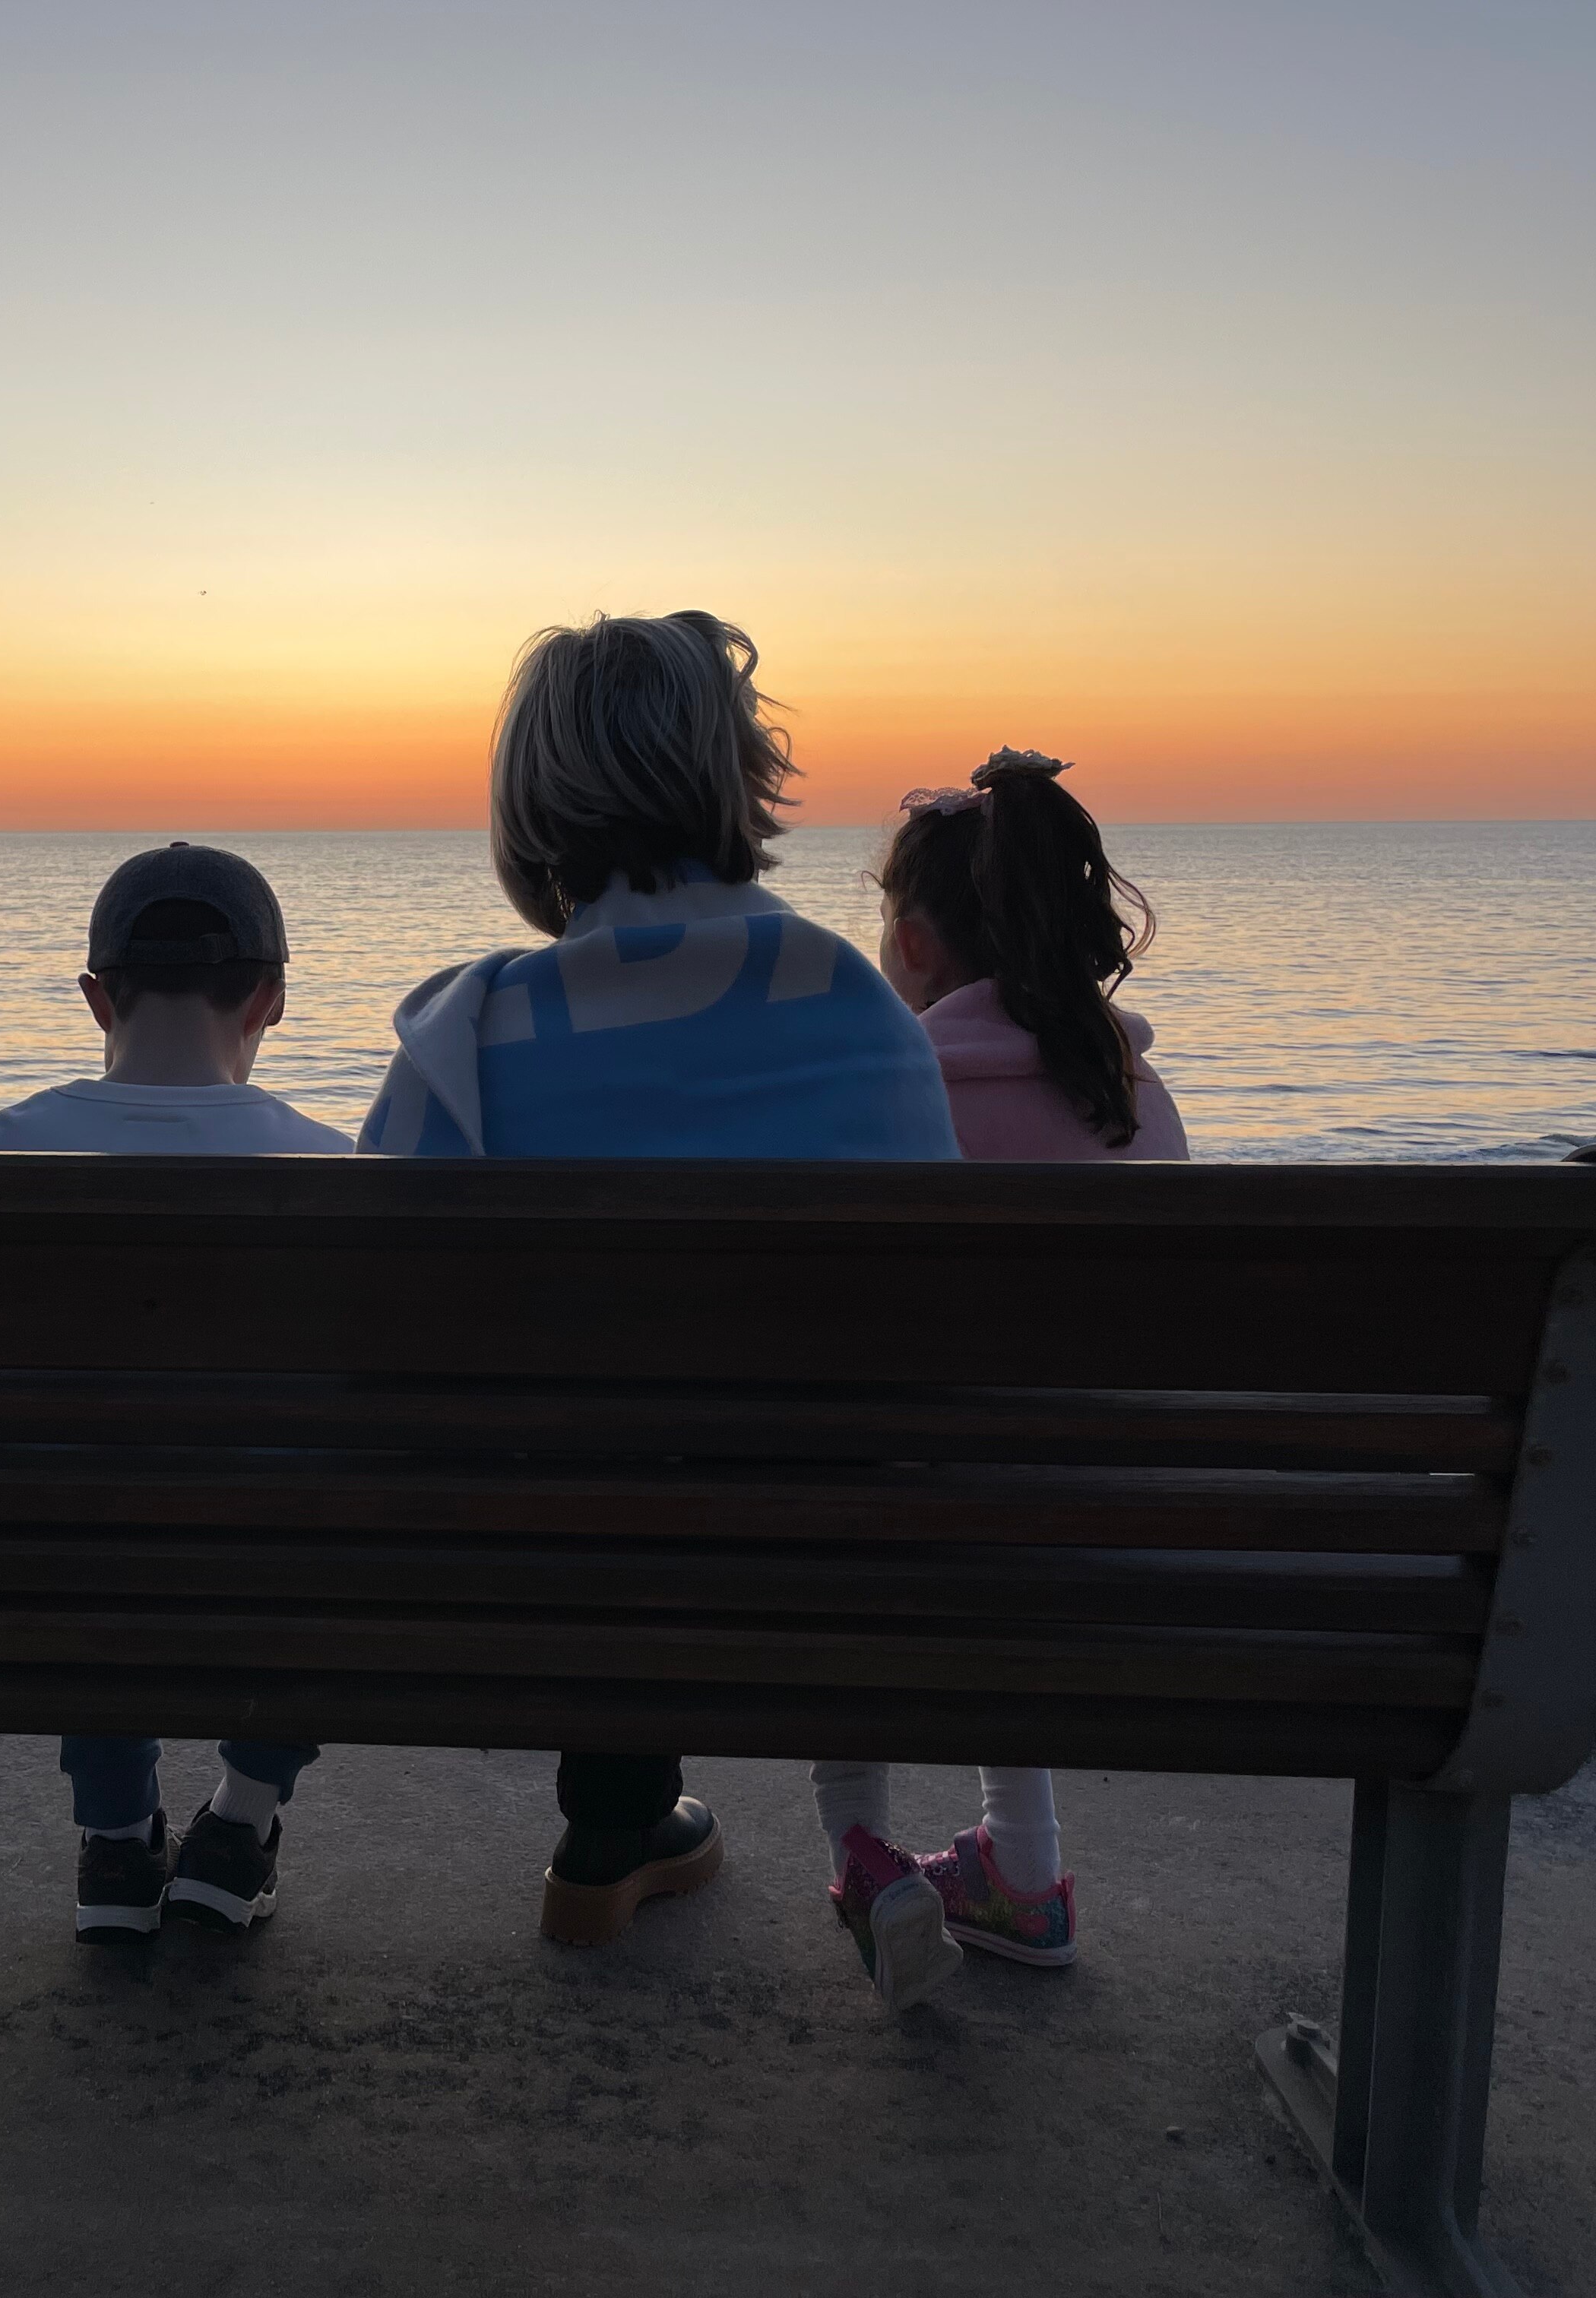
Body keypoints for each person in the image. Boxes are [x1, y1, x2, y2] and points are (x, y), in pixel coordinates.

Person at [359, 611, 964, 2006]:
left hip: (524, 1576)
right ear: (733, 782)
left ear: (533, 806)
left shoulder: (471, 1034)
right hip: (833, 1568)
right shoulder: (859, 1007)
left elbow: (369, 1330)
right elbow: (930, 1345)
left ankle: (615, 1818)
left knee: (585, 1455)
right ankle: (628, 1822)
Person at [0, 843, 347, 1939]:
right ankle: (240, 1822)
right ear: (269, 998)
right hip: (278, 1579)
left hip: (49, 1579)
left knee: (81, 1509)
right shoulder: (340, 1169)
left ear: (97, 997)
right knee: (321, 1525)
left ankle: (117, 1842)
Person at [852, 745, 1187, 1972]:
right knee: (1014, 1468)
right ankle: (1023, 1871)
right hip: (1111, 1540)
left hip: (894, 1550)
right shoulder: (1137, 1099)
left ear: (918, 947)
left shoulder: (884, 1099)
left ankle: (859, 1857)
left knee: (876, 1485)